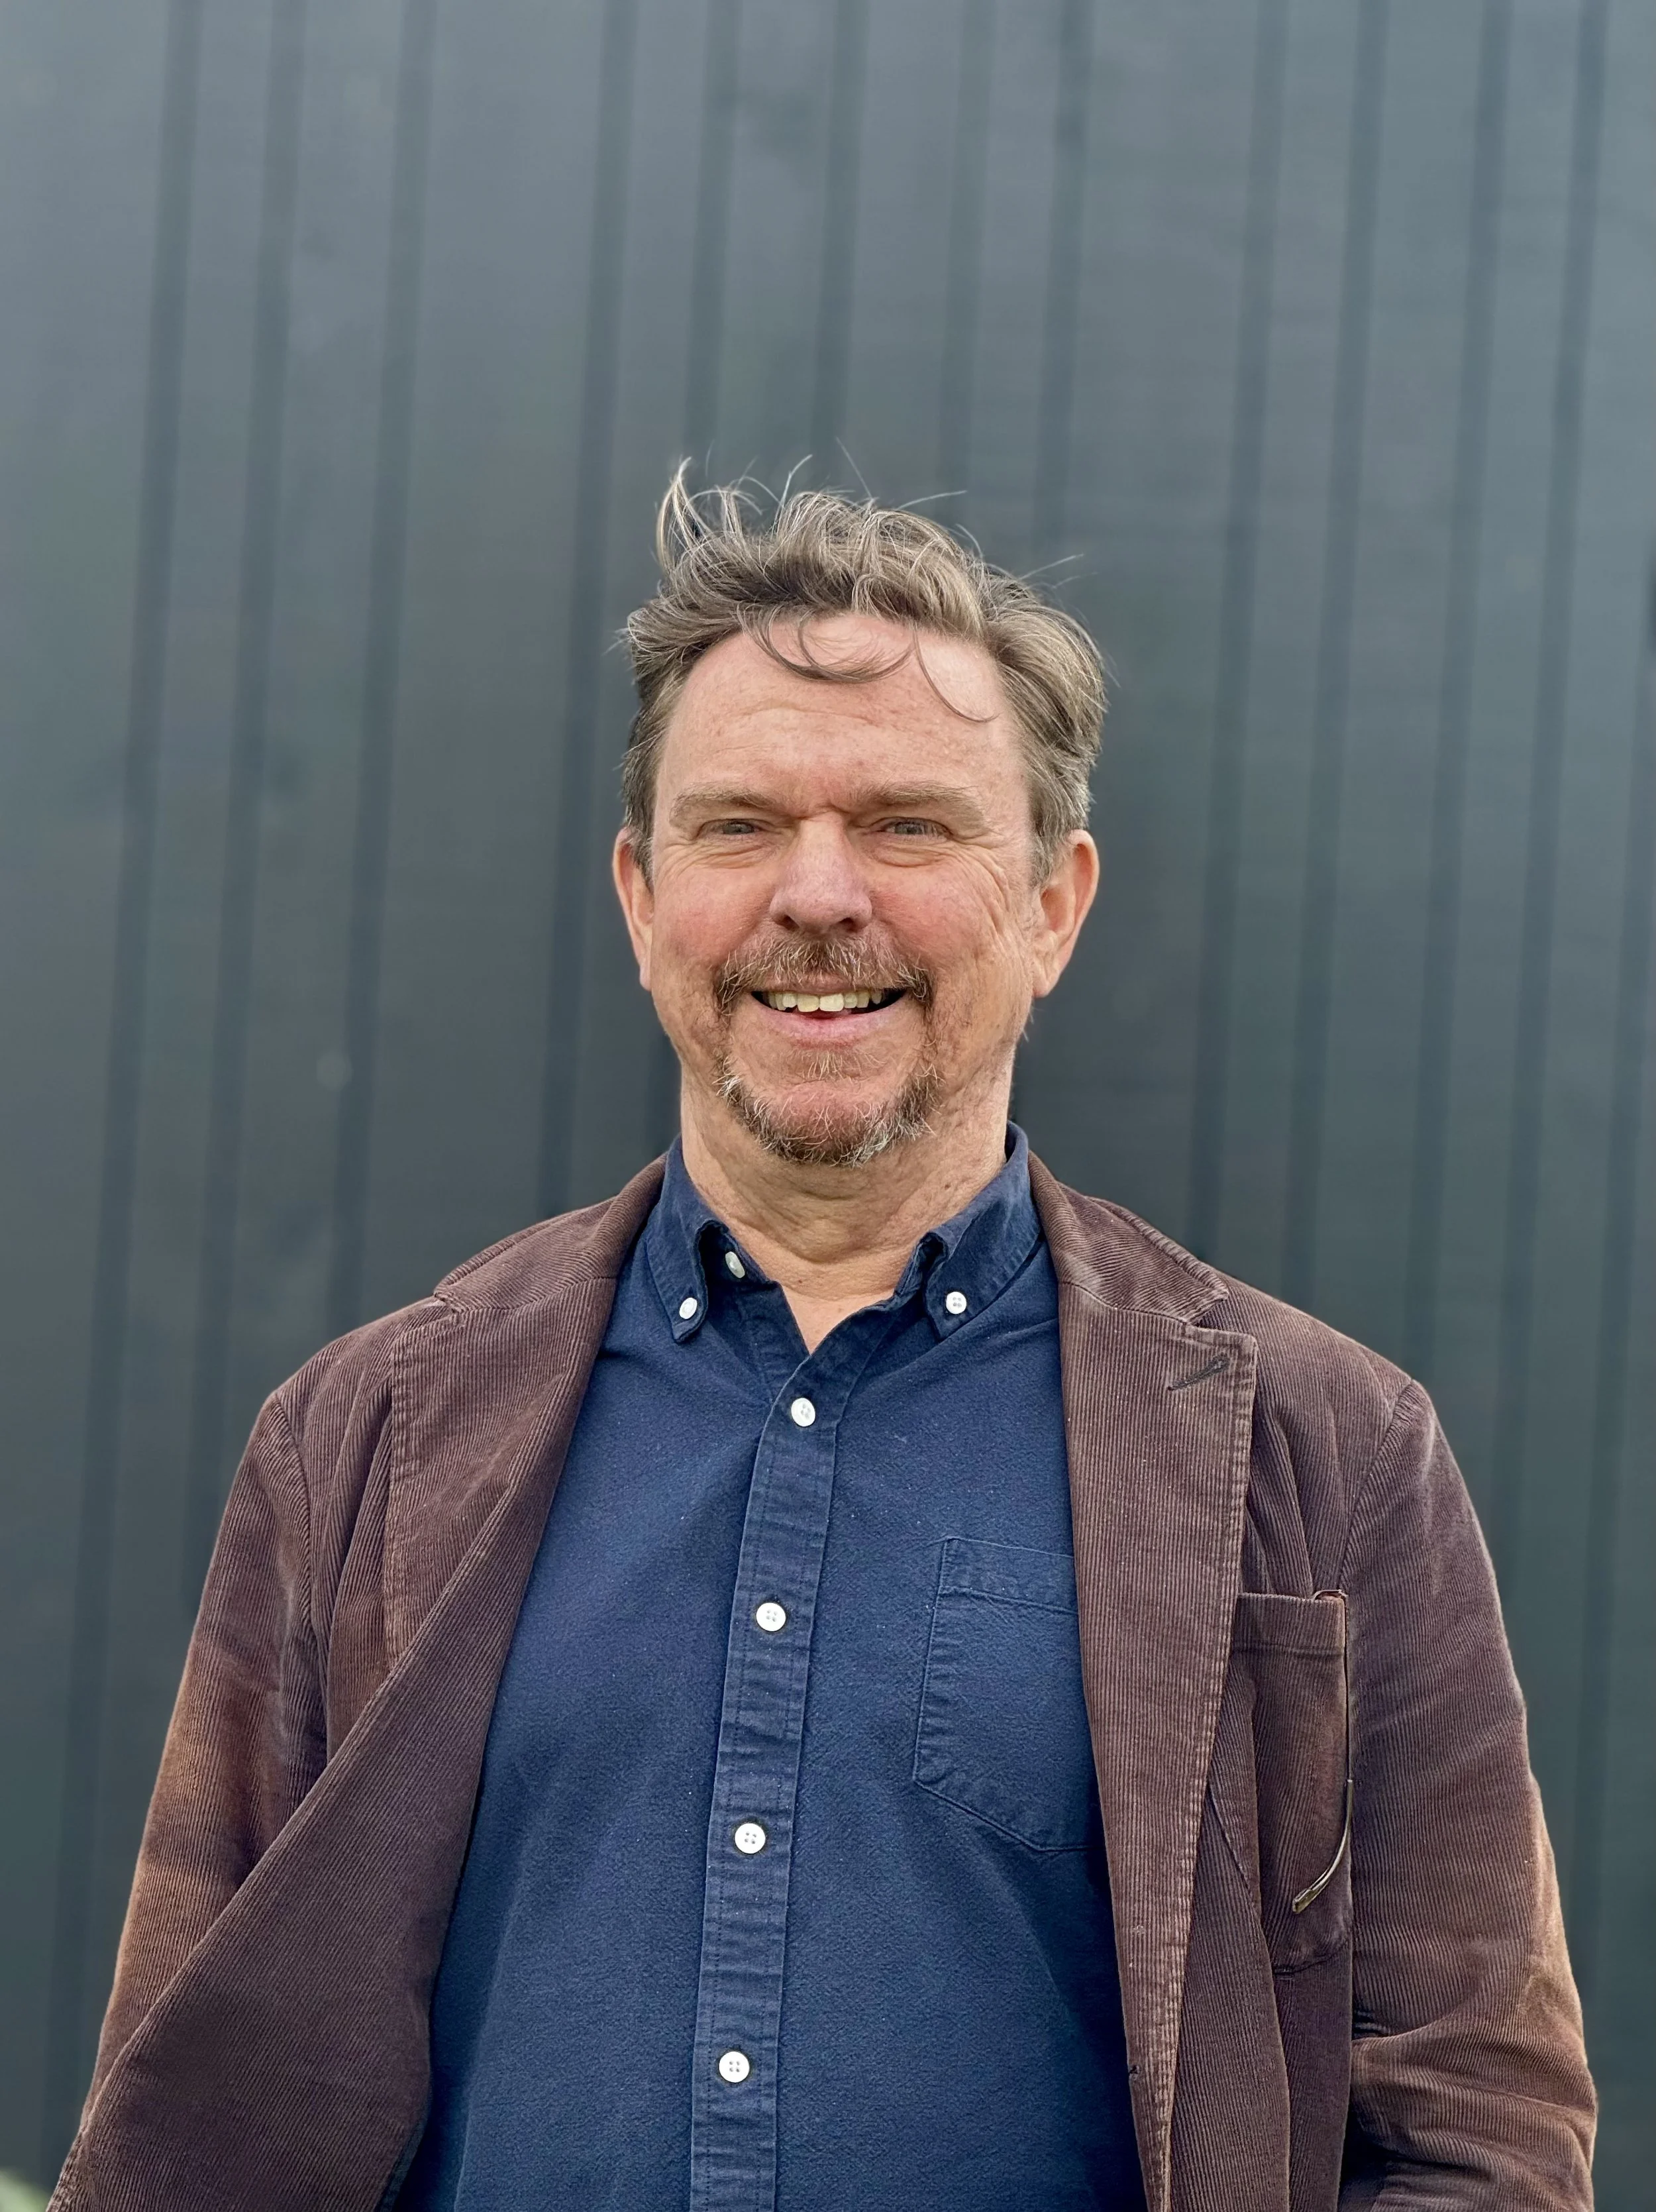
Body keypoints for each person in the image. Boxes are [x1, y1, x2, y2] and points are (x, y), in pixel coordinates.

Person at [52, 476, 1594, 2212]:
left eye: (908, 826)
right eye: (736, 826)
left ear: (1052, 905)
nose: (816, 895)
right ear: (641, 900)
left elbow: (1481, 2135)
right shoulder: (364, 1435)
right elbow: (191, 2111)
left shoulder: (1326, 1457)